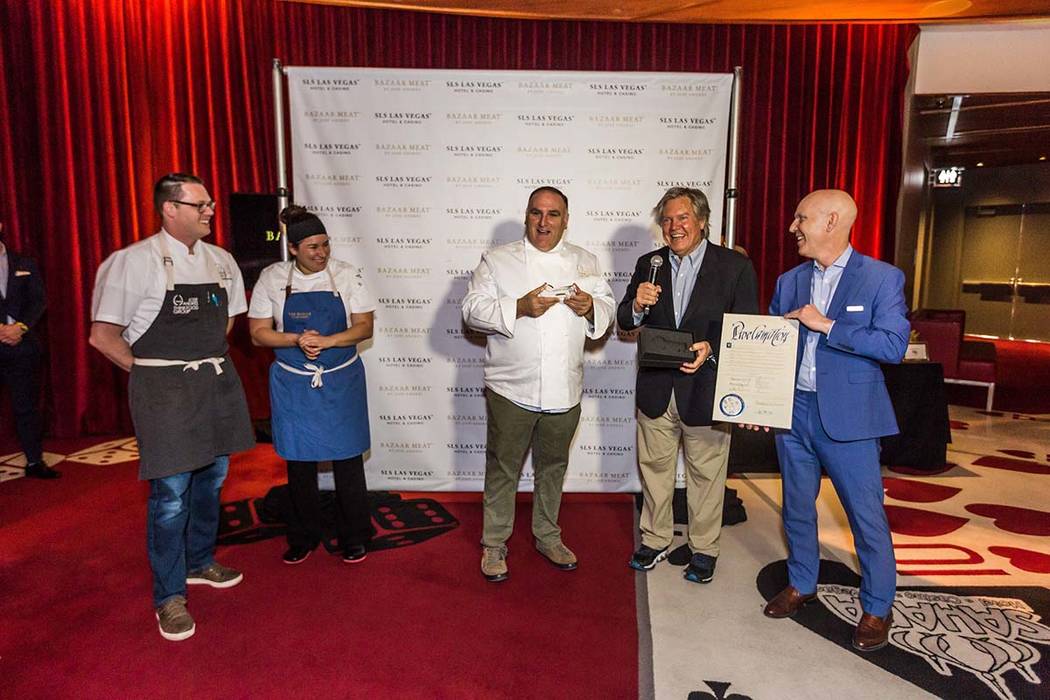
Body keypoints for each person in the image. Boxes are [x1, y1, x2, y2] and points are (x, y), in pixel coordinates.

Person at [89, 173, 255, 641]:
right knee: (171, 496)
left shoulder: (222, 262)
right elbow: (102, 336)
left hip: (216, 384)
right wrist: (151, 373)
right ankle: (169, 595)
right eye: (200, 204)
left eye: (212, 204)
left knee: (213, 480)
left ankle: (200, 561)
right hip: (163, 389)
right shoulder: (132, 262)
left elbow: (221, 327)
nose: (210, 211)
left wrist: (200, 367)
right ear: (169, 208)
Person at [758, 189, 908, 652]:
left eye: (801, 217)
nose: (792, 227)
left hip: (852, 421)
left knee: (865, 517)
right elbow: (768, 344)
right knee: (797, 507)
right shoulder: (789, 279)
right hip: (795, 412)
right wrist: (759, 401)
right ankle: (803, 582)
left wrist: (826, 326)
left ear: (832, 221)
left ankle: (878, 606)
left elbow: (892, 347)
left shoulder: (883, 278)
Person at [462, 186, 615, 582]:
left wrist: (591, 307)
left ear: (566, 219)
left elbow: (607, 308)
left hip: (565, 390)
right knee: (503, 468)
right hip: (511, 388)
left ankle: (547, 535)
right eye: (536, 213)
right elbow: (472, 311)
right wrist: (519, 307)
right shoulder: (497, 261)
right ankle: (494, 542)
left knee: (553, 467)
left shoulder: (586, 261)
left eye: (553, 214)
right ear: (526, 217)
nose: (544, 222)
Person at [617, 187, 757, 584]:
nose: (673, 227)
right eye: (666, 220)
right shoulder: (649, 264)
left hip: (707, 388)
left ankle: (704, 549)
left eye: (682, 218)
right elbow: (625, 322)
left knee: (706, 475)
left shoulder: (734, 266)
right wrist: (637, 305)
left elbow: (747, 329)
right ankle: (656, 538)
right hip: (656, 389)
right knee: (655, 471)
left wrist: (711, 348)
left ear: (701, 221)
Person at [248, 205, 375, 566]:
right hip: (294, 384)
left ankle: (355, 534)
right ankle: (303, 535)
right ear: (293, 249)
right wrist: (296, 339)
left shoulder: (346, 275)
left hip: (341, 380)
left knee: (348, 458)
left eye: (325, 245)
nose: (322, 254)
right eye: (312, 248)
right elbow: (258, 334)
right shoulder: (273, 279)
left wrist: (329, 341)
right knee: (299, 461)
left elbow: (364, 327)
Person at [0, 221, 54, 478]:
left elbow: (39, 300)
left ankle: (34, 461)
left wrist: (19, 328)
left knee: (26, 407)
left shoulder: (23, 262)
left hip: (22, 346)